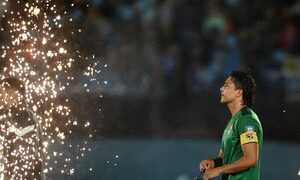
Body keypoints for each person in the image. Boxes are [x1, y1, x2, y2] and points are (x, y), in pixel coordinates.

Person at [199, 71, 263, 180]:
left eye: (226, 85)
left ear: (239, 92)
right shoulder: (232, 122)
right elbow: (224, 158)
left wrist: (218, 171)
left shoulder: (246, 119)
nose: (221, 89)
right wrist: (213, 163)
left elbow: (251, 159)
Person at [0, 77, 45, 180]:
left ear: (13, 94)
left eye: (1, 92)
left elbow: (24, 158)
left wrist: (8, 176)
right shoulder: (10, 116)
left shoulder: (23, 116)